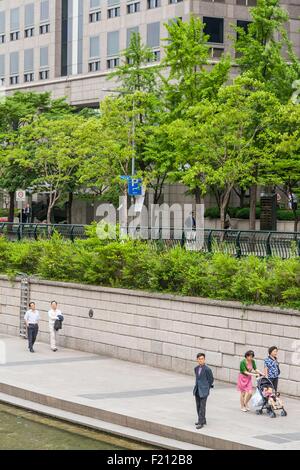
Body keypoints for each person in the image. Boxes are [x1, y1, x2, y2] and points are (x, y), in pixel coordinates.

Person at [193, 353, 214, 430]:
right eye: (199, 359)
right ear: (197, 360)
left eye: (202, 359)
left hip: (204, 391)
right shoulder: (196, 368)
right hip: (197, 390)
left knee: (202, 407)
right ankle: (203, 420)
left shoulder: (207, 369)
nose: (201, 360)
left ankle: (200, 422)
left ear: (204, 359)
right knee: (198, 406)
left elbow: (211, 379)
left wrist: (207, 387)